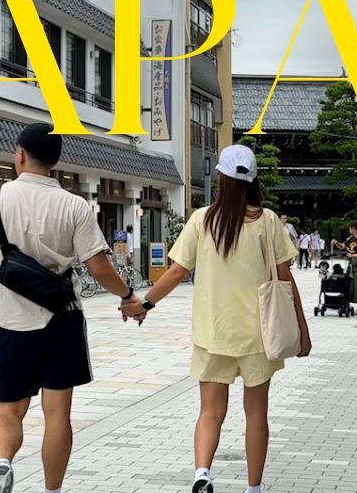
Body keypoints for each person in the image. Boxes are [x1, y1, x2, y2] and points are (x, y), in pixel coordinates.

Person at [0, 123, 145, 493]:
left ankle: (1, 462)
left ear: (20, 154)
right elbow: (98, 267)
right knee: (58, 414)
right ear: (56, 162)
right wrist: (128, 298)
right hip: (63, 320)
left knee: (8, 409)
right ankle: (53, 490)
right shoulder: (75, 205)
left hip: (12, 322)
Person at [121, 144, 311, 493]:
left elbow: (177, 272)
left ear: (221, 178)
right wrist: (302, 329)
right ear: (253, 181)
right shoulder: (268, 221)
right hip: (259, 335)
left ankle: (203, 474)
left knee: (210, 410)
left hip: (213, 332)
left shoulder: (202, 219)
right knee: (256, 414)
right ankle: (253, 488)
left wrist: (143, 305)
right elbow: (286, 279)